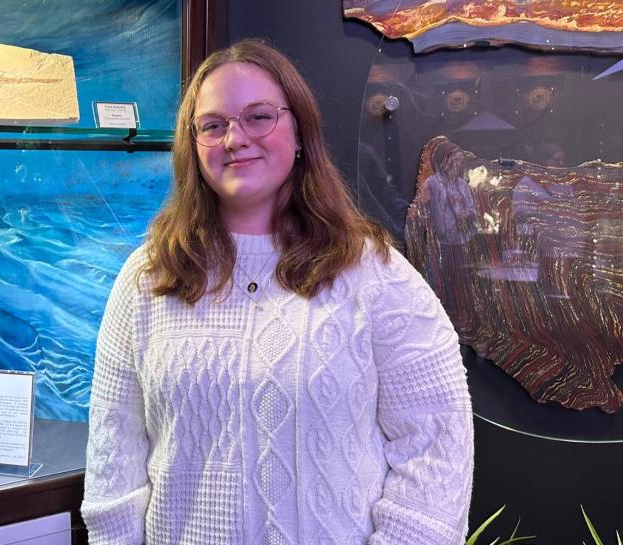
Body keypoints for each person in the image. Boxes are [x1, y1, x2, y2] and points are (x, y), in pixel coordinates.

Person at [81, 39, 473, 545]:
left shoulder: (376, 275)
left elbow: (437, 440)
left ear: (300, 132)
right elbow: (115, 451)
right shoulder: (149, 279)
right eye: (213, 124)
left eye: (258, 116)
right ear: (192, 145)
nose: (234, 139)